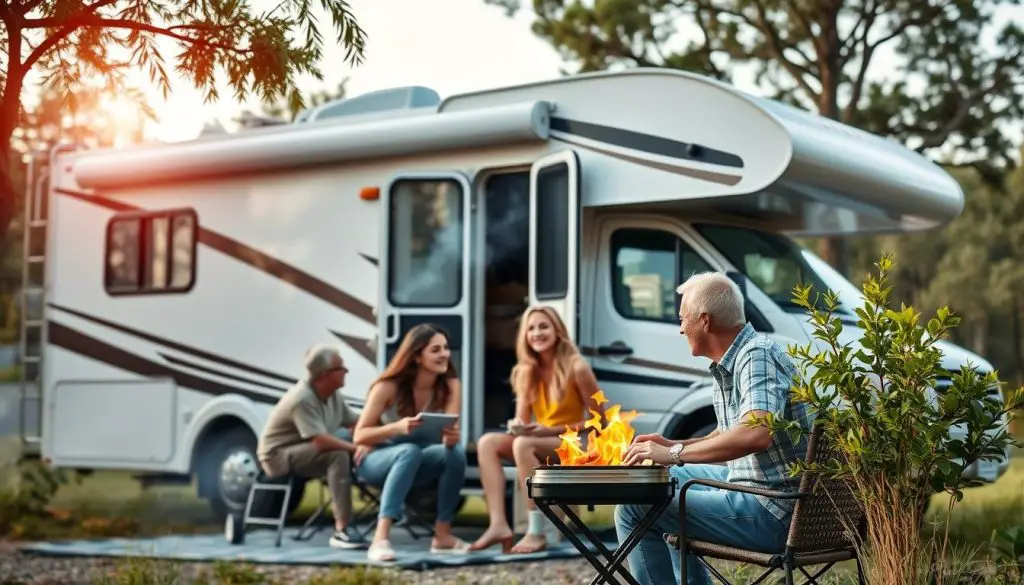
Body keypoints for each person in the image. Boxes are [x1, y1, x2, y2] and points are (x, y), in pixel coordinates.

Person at [617, 272, 814, 585]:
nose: (680, 328)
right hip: (758, 490)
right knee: (657, 479)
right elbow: (729, 430)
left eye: (683, 318)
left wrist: (676, 454)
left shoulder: (756, 356)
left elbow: (755, 433)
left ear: (704, 320)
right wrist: (670, 445)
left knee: (637, 503)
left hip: (778, 513)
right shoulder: (736, 359)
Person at [469, 306, 605, 554]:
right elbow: (521, 421)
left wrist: (549, 430)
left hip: (575, 445)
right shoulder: (525, 371)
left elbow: (600, 421)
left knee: (524, 445)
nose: (537, 333)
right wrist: (517, 426)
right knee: (488, 442)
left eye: (544, 326)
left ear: (557, 330)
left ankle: (535, 531)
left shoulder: (576, 366)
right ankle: (499, 524)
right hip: (542, 441)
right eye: (531, 328)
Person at [352, 323, 469, 562]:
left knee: (455, 454)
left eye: (445, 348)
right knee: (408, 450)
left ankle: (443, 535)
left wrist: (451, 438)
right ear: (417, 356)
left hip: (418, 459)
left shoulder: (451, 386)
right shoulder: (387, 387)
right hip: (377, 460)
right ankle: (380, 539)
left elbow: (449, 434)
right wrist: (395, 427)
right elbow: (359, 435)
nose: (444, 354)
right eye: (435, 350)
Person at [256, 344, 368, 549]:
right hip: (276, 456)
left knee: (343, 444)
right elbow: (320, 441)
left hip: (303, 448)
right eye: (341, 368)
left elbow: (354, 422)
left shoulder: (332, 394)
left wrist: (388, 426)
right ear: (325, 374)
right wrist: (355, 449)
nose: (346, 371)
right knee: (338, 454)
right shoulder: (302, 398)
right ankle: (342, 530)